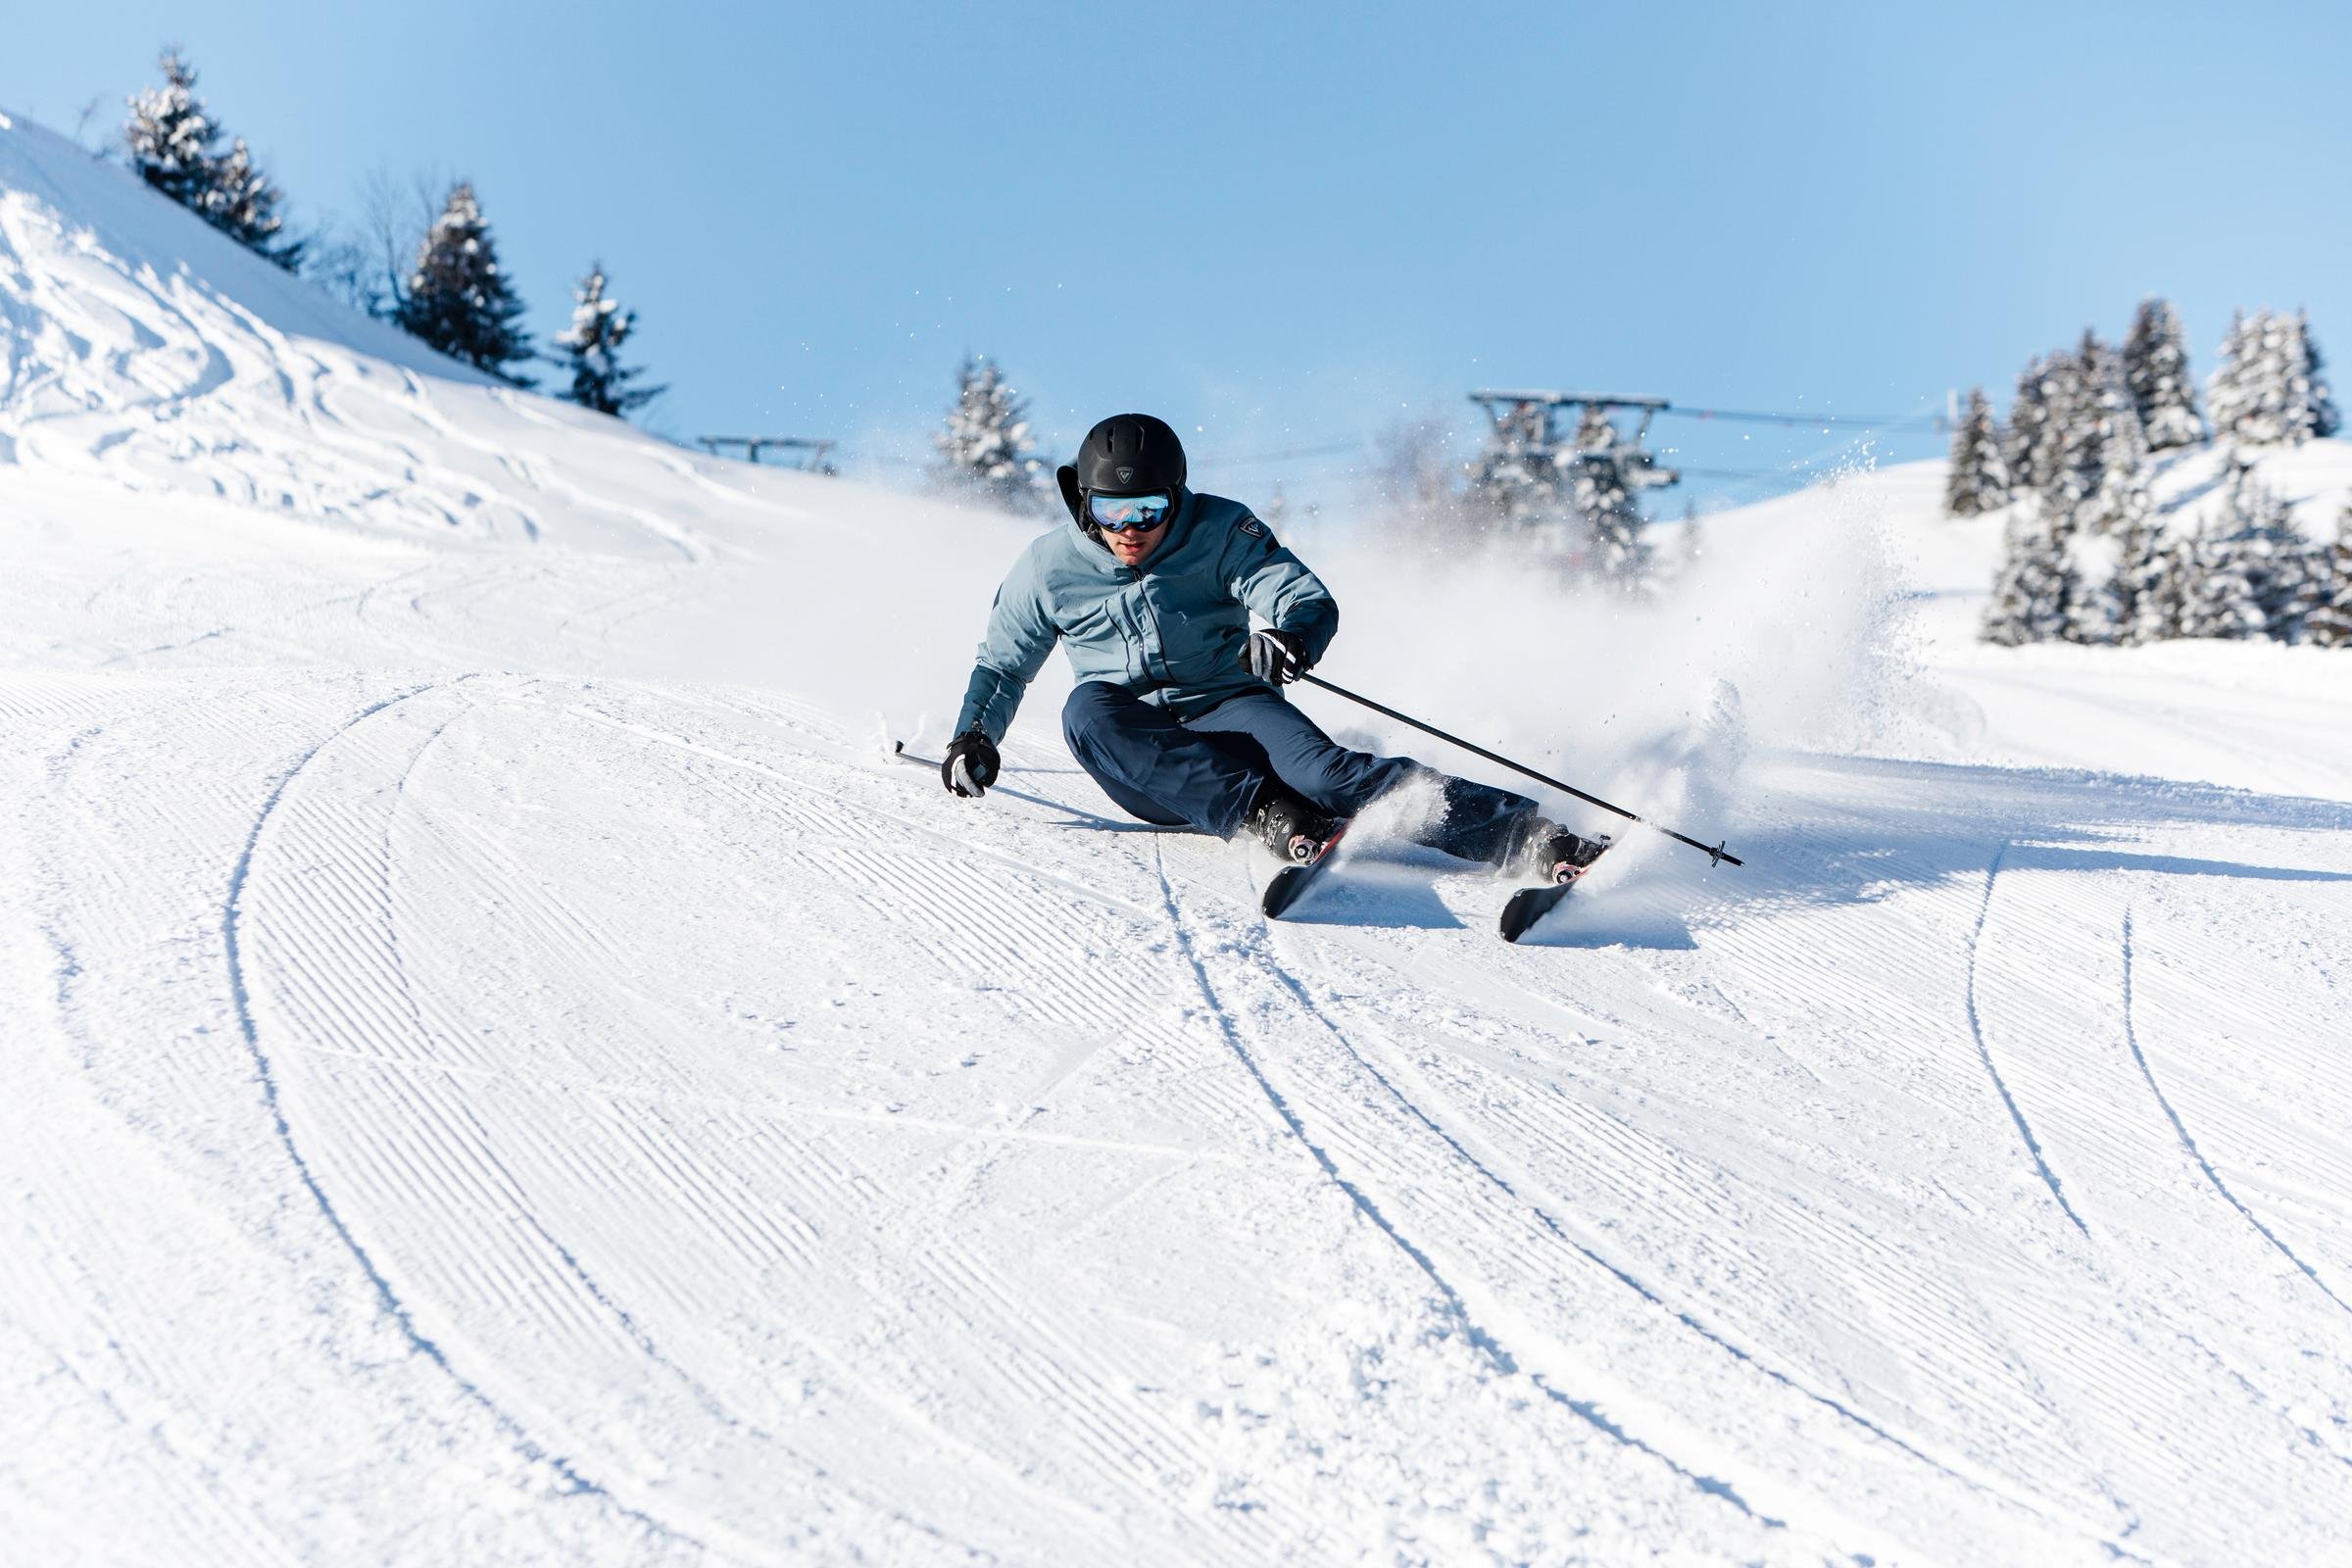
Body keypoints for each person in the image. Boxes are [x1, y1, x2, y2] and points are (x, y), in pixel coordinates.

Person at [938, 413, 1608, 884]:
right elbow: (1002, 666)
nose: (1131, 529)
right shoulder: (1047, 567)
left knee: (1330, 776)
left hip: (1231, 706)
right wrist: (975, 736)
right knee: (1085, 707)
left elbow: (1303, 598)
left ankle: (1529, 836)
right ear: (1084, 505)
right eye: (1113, 513)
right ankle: (1266, 811)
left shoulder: (1220, 528)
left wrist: (1291, 638)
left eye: (1148, 510)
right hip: (1146, 763)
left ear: (1176, 498)